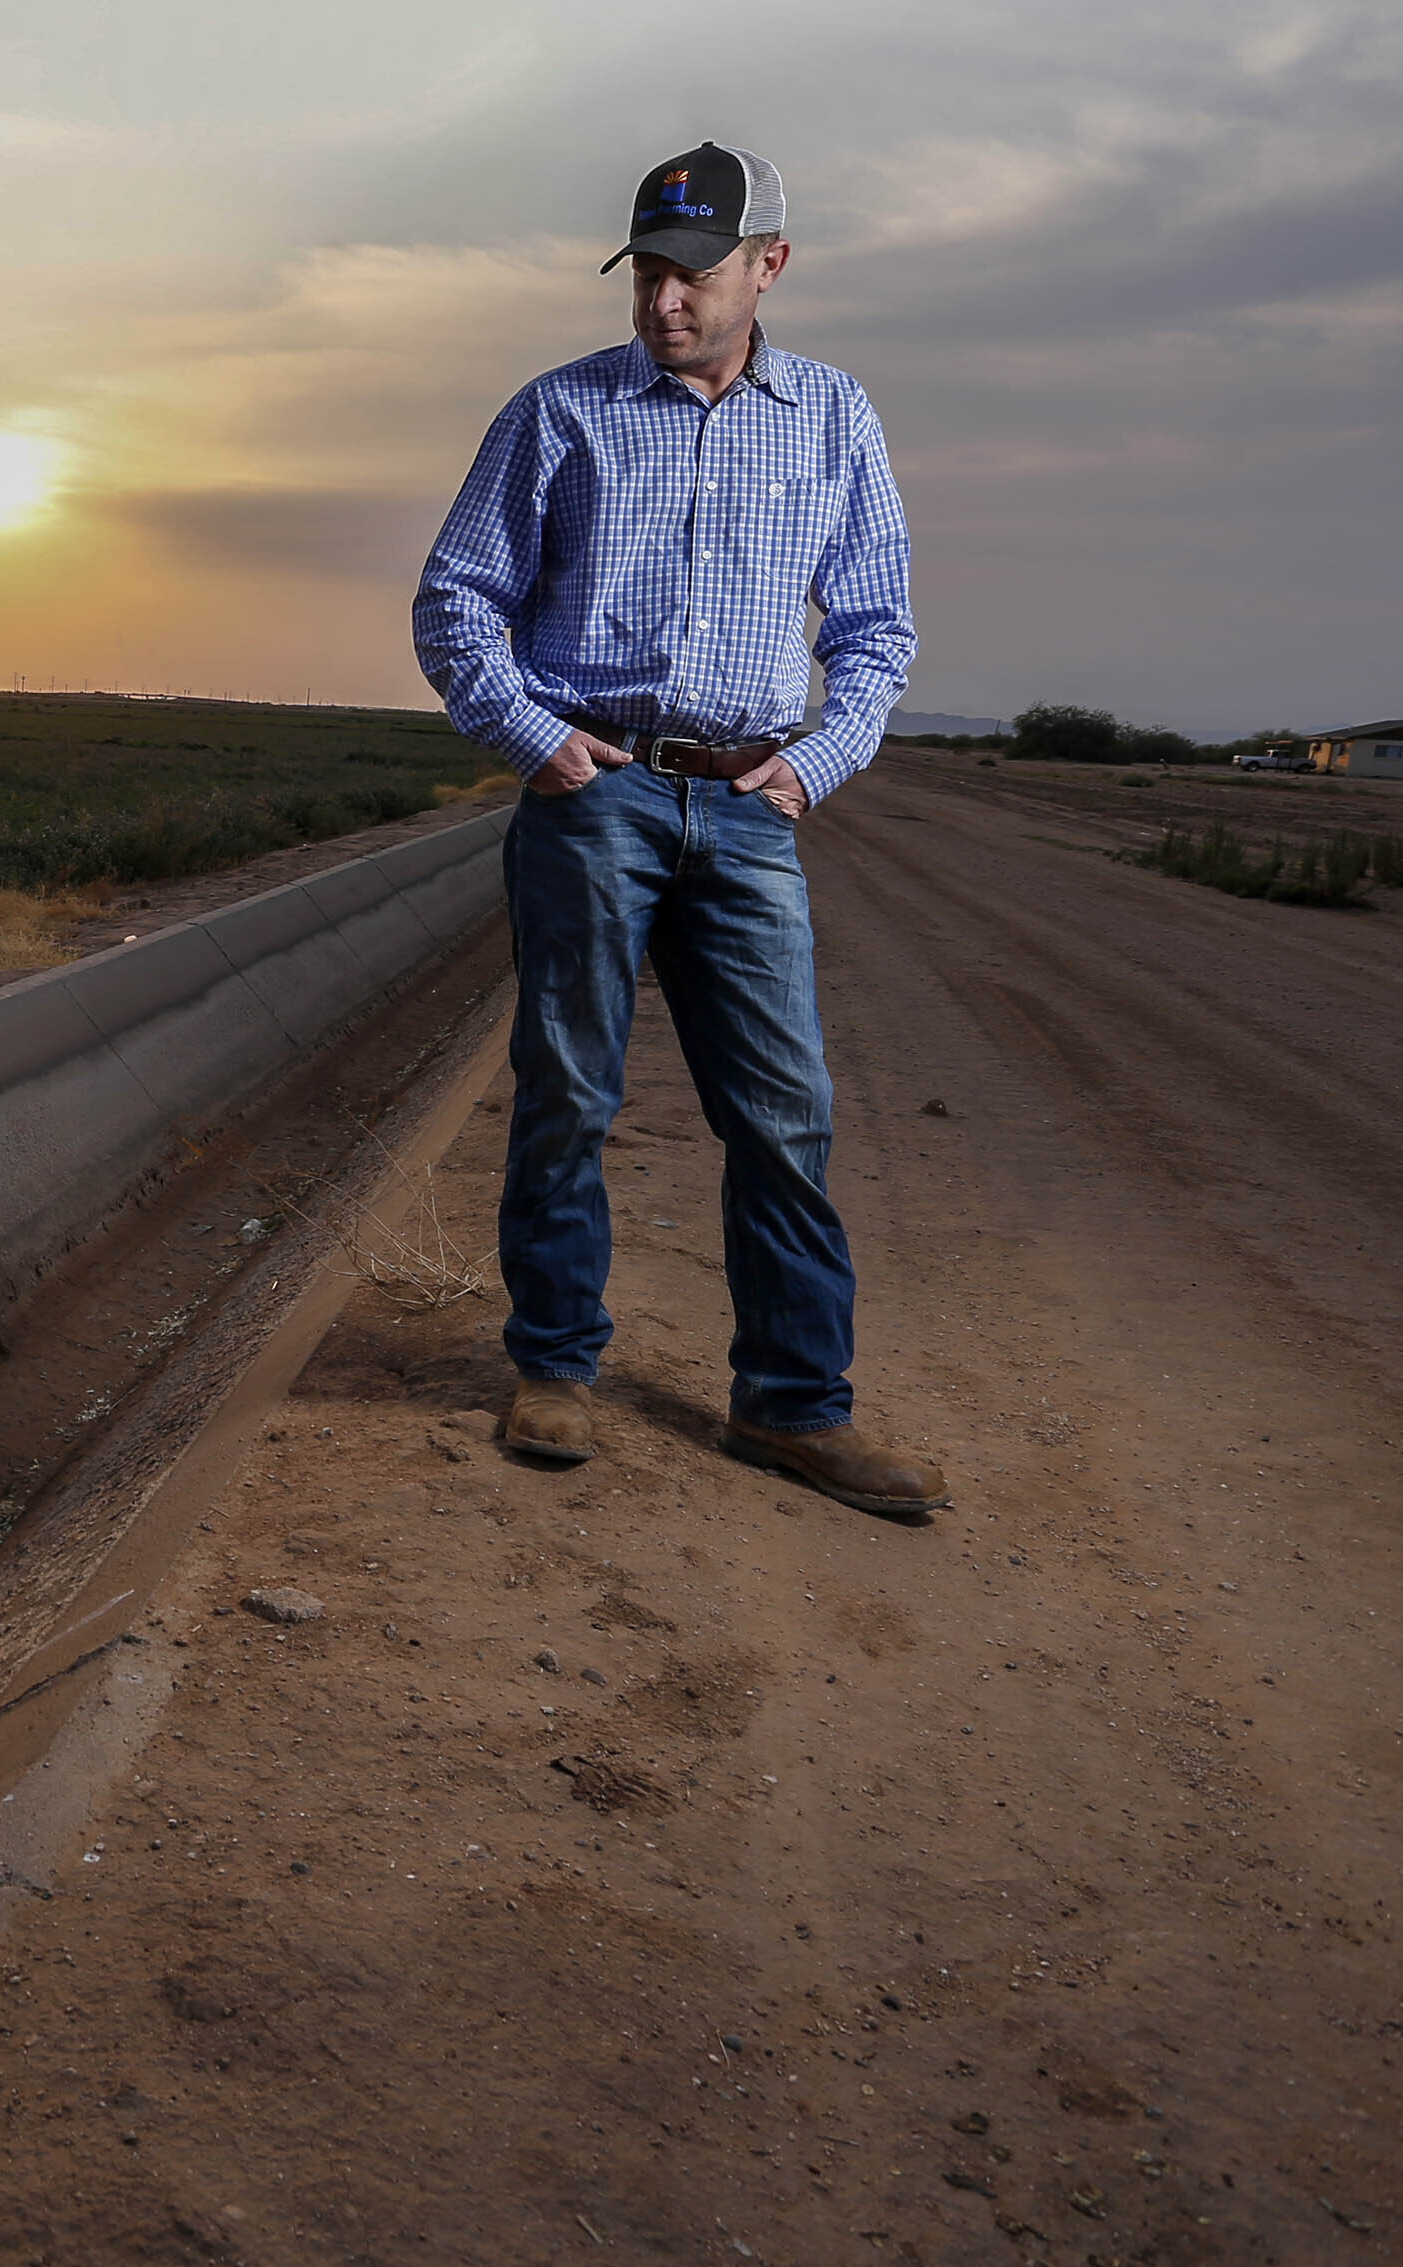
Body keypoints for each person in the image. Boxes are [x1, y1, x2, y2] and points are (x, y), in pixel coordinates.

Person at [411, 141, 945, 1517]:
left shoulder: (834, 418)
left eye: (694, 275)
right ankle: (556, 1370)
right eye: (648, 273)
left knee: (784, 1116)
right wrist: (537, 743)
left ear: (769, 266)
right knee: (570, 1092)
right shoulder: (561, 412)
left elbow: (878, 629)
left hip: (753, 806)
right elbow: (458, 598)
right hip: (599, 797)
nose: (664, 304)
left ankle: (793, 1408)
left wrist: (820, 761)